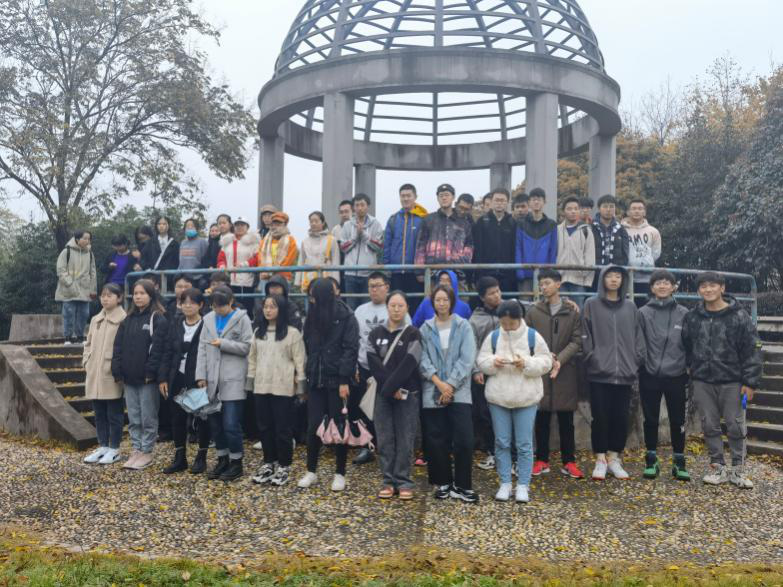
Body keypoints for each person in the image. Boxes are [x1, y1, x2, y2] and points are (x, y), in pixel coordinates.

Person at [682, 272, 762, 489]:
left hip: (733, 381)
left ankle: (738, 469)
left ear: (722, 288)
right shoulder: (693, 317)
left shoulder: (739, 316)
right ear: (699, 290)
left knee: (736, 425)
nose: (708, 290)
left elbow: (753, 348)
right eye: (703, 286)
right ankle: (717, 467)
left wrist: (750, 382)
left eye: (712, 285)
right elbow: (686, 343)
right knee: (709, 425)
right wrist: (691, 366)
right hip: (702, 381)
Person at [477, 301, 552, 503]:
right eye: (504, 323)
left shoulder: (532, 336)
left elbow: (546, 362)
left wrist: (526, 363)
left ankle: (523, 485)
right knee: (501, 441)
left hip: (526, 397)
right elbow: (481, 360)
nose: (508, 327)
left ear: (520, 319)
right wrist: (493, 362)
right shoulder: (494, 336)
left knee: (524, 444)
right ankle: (505, 483)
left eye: (511, 323)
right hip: (498, 397)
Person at [582, 266, 645, 480]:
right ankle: (600, 459)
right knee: (600, 416)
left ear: (623, 280)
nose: (614, 280)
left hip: (625, 372)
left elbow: (638, 335)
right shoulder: (591, 304)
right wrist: (592, 357)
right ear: (602, 279)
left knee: (620, 417)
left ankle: (614, 457)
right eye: (609, 276)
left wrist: (636, 359)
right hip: (599, 372)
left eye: (618, 276)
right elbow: (585, 333)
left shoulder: (630, 306)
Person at [298, 279, 360, 492]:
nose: (312, 300)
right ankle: (311, 470)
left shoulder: (346, 316)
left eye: (314, 297)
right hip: (316, 378)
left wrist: (344, 379)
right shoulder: (313, 315)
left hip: (337, 380)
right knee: (313, 425)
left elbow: (351, 349)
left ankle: (340, 473)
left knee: (339, 426)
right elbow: (308, 345)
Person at [419, 283, 478, 503]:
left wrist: (450, 385)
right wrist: (439, 383)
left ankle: (462, 485)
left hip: (459, 391)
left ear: (452, 301)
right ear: (432, 302)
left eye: (445, 299)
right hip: (433, 390)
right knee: (436, 439)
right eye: (438, 300)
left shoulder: (463, 326)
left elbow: (467, 358)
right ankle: (443, 482)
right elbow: (422, 359)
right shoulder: (425, 328)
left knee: (464, 439)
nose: (442, 303)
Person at [525, 269, 585, 480]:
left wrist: (559, 359)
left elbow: (577, 341)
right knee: (541, 418)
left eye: (548, 283)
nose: (544, 287)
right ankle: (541, 460)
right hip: (541, 371)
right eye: (541, 284)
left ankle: (569, 461)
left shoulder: (571, 311)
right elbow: (526, 338)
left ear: (559, 284)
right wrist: (544, 357)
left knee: (566, 419)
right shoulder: (534, 312)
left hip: (565, 370)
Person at [367, 291, 422, 500]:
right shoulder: (375, 334)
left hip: (407, 393)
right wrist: (390, 388)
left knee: (405, 438)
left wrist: (394, 386)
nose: (396, 309)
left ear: (407, 308)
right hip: (383, 394)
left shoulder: (413, 334)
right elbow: (373, 363)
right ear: (387, 307)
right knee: (385, 438)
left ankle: (404, 480)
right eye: (393, 305)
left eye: (401, 306)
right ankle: (387, 480)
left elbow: (410, 363)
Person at [352, 272, 412, 465]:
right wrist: (354, 365)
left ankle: (391, 449)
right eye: (371, 286)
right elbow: (354, 340)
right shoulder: (360, 310)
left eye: (378, 285)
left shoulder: (396, 308)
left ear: (387, 287)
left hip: (391, 371)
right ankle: (367, 446)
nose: (374, 290)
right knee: (365, 409)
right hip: (365, 366)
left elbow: (408, 339)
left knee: (389, 411)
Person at [247, 294, 306, 487]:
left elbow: (300, 361)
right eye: (266, 306)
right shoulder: (258, 332)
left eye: (273, 306)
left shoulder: (292, 333)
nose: (268, 310)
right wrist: (250, 382)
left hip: (283, 387)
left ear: (281, 309)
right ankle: (268, 462)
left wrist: (301, 386)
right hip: (261, 385)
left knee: (283, 428)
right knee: (264, 427)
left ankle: (284, 465)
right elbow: (252, 358)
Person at [196, 286, 253, 482]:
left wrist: (224, 343)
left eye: (222, 306)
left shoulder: (242, 319)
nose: (218, 309)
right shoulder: (208, 319)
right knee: (215, 424)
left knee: (230, 423)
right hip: (212, 379)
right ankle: (222, 458)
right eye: (215, 306)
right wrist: (200, 376)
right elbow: (202, 349)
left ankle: (236, 461)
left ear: (231, 302)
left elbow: (248, 346)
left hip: (233, 378)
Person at [638, 270, 690, 481]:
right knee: (650, 419)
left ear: (673, 287)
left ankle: (679, 460)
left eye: (666, 282)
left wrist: (687, 366)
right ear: (652, 287)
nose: (662, 286)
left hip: (677, 374)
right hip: (649, 373)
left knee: (678, 420)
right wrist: (643, 364)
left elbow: (689, 342)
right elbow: (639, 342)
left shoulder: (684, 313)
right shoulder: (642, 312)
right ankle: (651, 459)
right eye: (658, 283)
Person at [111, 279, 168, 470]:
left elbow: (158, 350)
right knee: (134, 417)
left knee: (148, 417)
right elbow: (118, 347)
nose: (138, 297)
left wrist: (151, 372)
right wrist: (117, 370)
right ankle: (136, 449)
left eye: (142, 293)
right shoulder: (127, 319)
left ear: (151, 295)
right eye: (135, 293)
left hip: (147, 379)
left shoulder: (157, 318)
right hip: (129, 377)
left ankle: (147, 451)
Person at [158, 288, 212, 474]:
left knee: (201, 417)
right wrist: (163, 378)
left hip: (197, 377)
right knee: (177, 417)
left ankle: (201, 456)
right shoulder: (175, 323)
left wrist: (205, 376)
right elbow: (167, 351)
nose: (188, 306)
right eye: (184, 302)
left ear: (201, 305)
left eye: (192, 302)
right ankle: (180, 457)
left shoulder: (206, 324)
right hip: (177, 376)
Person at [82, 283, 127, 465]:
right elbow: (88, 343)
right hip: (95, 371)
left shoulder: (124, 319)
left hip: (112, 371)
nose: (105, 299)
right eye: (103, 295)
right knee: (99, 412)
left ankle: (114, 448)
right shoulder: (96, 319)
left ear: (119, 298)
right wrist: (86, 361)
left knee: (114, 413)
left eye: (109, 295)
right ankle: (103, 445)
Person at [469, 276, 503, 470]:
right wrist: (476, 370)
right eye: (491, 293)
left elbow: (534, 305)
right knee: (484, 413)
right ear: (482, 297)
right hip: (484, 372)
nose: (497, 295)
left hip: (505, 370)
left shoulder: (509, 310)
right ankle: (492, 452)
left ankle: (510, 454)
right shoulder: (475, 319)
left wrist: (566, 300)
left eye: (498, 291)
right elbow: (472, 347)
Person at [382, 184, 427, 312]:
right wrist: (387, 269)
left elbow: (426, 246)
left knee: (415, 307)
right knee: (397, 307)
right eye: (403, 196)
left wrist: (421, 271)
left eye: (408, 195)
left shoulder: (423, 219)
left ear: (415, 197)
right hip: (396, 272)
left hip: (415, 273)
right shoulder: (393, 219)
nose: (405, 199)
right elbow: (386, 245)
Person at [414, 184, 474, 275]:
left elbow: (469, 246)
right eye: (441, 195)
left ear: (453, 197)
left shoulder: (464, 223)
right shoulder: (428, 219)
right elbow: (420, 246)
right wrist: (419, 272)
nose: (444, 198)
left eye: (447, 195)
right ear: (437, 198)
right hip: (432, 272)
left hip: (457, 272)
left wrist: (462, 263)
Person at [340, 194, 384, 309]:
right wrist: (355, 237)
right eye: (357, 205)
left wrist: (364, 235)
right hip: (350, 274)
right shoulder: (347, 225)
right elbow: (343, 247)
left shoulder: (376, 224)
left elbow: (378, 247)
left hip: (368, 273)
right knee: (351, 307)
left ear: (367, 206)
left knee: (367, 307)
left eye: (362, 205)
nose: (360, 208)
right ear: (353, 207)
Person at [56, 231, 97, 344]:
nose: (87, 241)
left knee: (84, 314)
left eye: (89, 239)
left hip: (85, 289)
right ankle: (68, 337)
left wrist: (93, 289)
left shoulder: (90, 253)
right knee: (68, 313)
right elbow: (61, 270)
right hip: (69, 289)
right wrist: (70, 283)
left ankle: (80, 336)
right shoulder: (66, 251)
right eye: (85, 238)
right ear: (77, 239)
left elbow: (93, 272)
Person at [472, 188, 516, 293]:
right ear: (491, 202)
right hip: (486, 273)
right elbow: (477, 250)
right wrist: (478, 273)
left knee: (507, 301)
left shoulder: (512, 223)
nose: (499, 203)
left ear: (507, 203)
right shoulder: (482, 222)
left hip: (507, 273)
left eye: (502, 200)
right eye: (497, 200)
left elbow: (514, 249)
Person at [515, 188, 557, 297]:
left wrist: (551, 272)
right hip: (525, 274)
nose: (536, 202)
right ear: (529, 202)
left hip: (545, 275)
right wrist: (519, 271)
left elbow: (553, 250)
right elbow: (518, 248)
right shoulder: (521, 224)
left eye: (539, 199)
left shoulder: (551, 224)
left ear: (544, 202)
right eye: (533, 199)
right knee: (525, 303)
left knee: (544, 304)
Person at [556, 196, 596, 309]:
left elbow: (590, 256)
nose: (573, 211)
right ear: (563, 211)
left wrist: (586, 279)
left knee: (578, 311)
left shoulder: (586, 231)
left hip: (579, 280)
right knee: (561, 311)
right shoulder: (556, 230)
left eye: (576, 208)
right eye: (569, 209)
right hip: (560, 279)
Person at [621, 198, 662, 306]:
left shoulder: (653, 231)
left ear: (644, 212)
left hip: (646, 278)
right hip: (625, 277)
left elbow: (656, 252)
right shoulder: (620, 230)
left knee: (645, 307)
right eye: (634, 208)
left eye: (640, 208)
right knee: (627, 307)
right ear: (628, 212)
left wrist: (645, 262)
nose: (637, 211)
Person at [216, 216, 261, 308]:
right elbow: (221, 259)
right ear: (234, 227)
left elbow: (257, 258)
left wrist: (245, 264)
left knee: (247, 306)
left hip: (247, 280)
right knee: (231, 306)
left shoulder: (253, 242)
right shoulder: (227, 242)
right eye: (237, 225)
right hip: (229, 280)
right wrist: (222, 266)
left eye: (242, 225)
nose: (239, 227)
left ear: (247, 227)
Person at [297, 211, 340, 293]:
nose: (313, 223)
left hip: (327, 278)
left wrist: (335, 281)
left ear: (323, 223)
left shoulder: (331, 240)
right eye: (311, 221)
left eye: (316, 221)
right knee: (311, 299)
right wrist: (298, 281)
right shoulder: (305, 241)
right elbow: (301, 261)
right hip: (309, 279)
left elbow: (335, 261)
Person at [255, 211, 298, 286]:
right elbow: (260, 258)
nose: (275, 226)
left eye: (279, 223)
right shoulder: (265, 240)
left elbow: (289, 260)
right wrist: (264, 271)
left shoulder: (290, 240)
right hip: (265, 277)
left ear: (284, 224)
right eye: (273, 223)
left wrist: (273, 272)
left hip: (283, 277)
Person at [591, 194, 629, 268]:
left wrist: (620, 269)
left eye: (611, 206)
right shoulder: (591, 227)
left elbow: (625, 253)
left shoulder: (621, 229)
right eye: (605, 206)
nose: (608, 209)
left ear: (615, 208)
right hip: (595, 270)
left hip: (615, 270)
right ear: (599, 208)